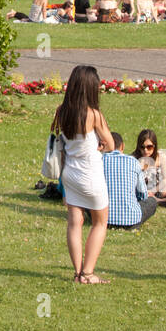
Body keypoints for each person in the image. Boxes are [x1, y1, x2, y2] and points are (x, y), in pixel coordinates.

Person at [53, 65, 114, 283]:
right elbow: (111, 144)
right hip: (90, 173)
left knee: (74, 223)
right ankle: (88, 273)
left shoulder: (61, 112)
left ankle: (77, 272)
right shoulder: (94, 115)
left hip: (70, 172)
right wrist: (99, 146)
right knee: (99, 223)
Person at [104, 130, 156, 229]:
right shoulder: (133, 162)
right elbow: (143, 194)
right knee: (152, 202)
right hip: (131, 222)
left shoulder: (98, 162)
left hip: (103, 220)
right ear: (122, 146)